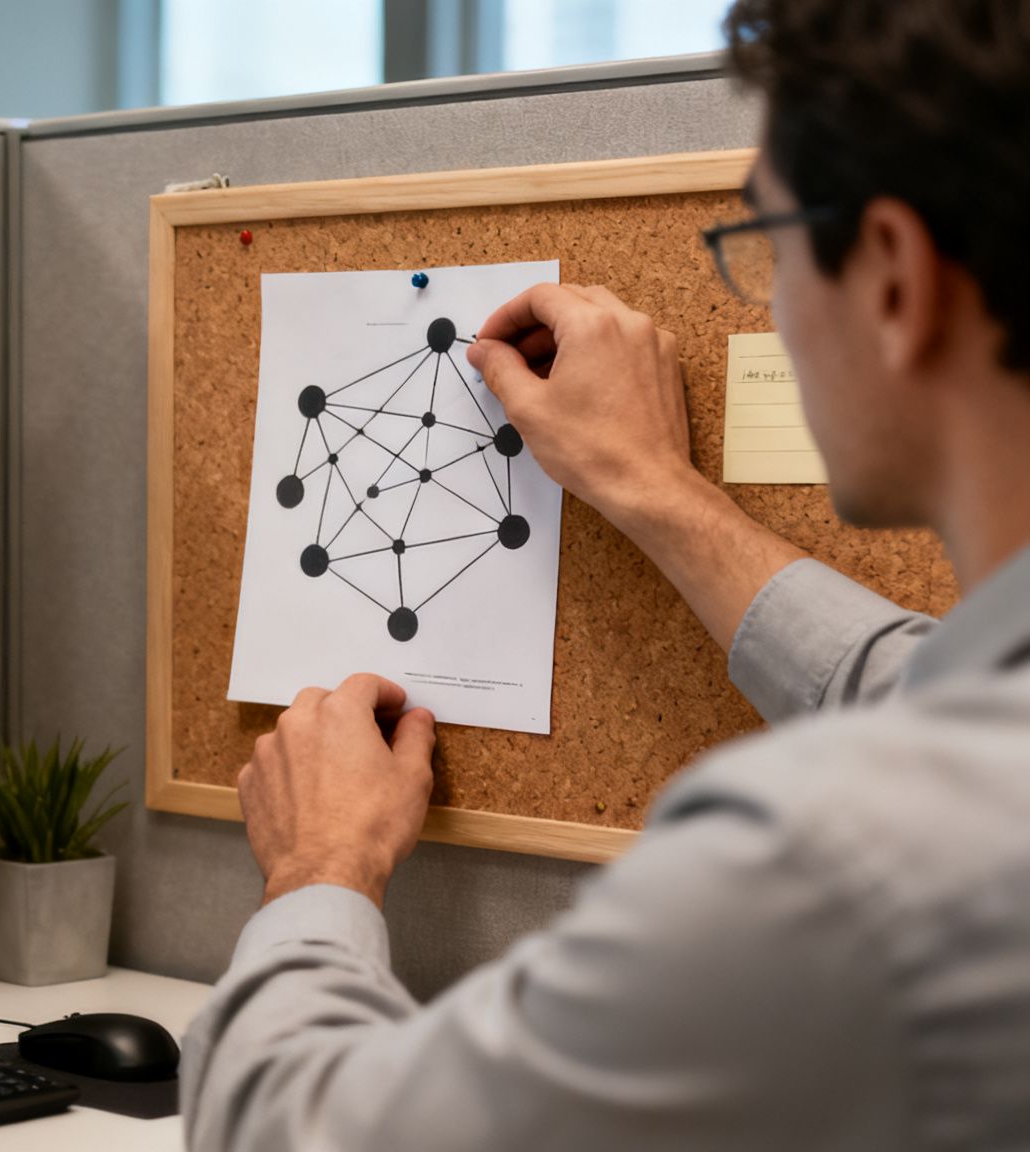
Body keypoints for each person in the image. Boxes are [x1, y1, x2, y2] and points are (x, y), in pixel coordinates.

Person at [180, 1, 1030, 1147]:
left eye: (766, 246)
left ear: (889, 276)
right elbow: (919, 684)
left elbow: (296, 1129)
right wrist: (653, 490)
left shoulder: (823, 869)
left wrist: (320, 862)